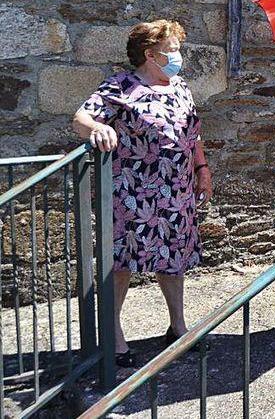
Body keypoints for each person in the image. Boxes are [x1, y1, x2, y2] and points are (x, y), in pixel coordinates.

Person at [73, 20, 211, 367]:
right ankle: (115, 335)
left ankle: (178, 327)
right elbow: (80, 119)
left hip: (176, 190)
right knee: (122, 261)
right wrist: (99, 128)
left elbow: (193, 133)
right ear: (151, 54)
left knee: (173, 257)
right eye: (173, 49)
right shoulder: (120, 86)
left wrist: (202, 169)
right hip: (133, 194)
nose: (179, 56)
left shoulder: (180, 87)